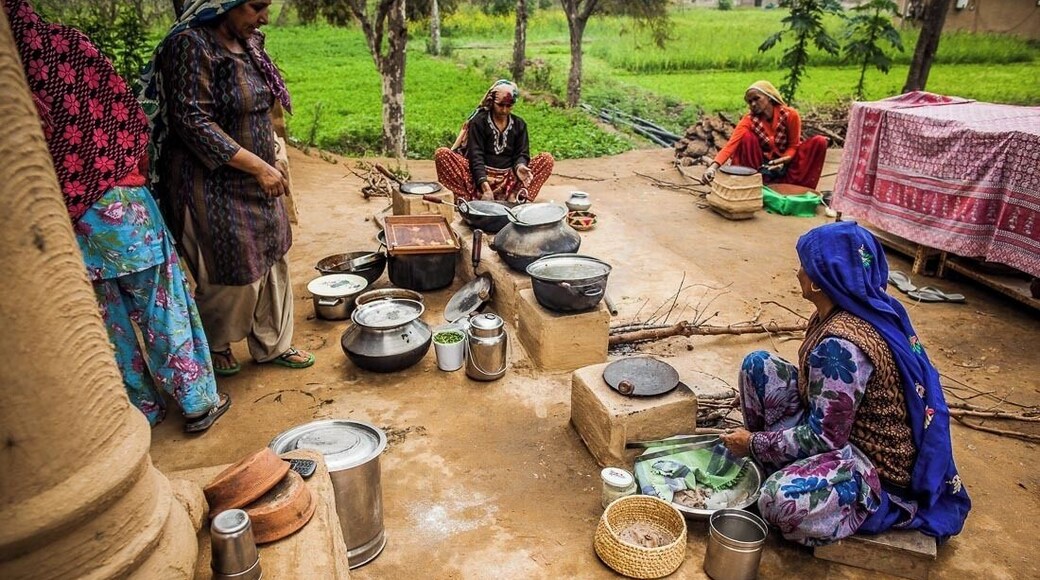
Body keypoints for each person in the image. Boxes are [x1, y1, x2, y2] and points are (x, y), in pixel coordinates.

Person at [6, 0, 229, 432]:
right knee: (160, 305)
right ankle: (197, 401)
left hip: (62, 219)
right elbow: (129, 115)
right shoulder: (66, 46)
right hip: (121, 207)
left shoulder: (11, 72)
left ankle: (141, 410)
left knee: (108, 322)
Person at [720, 221, 970, 546]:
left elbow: (825, 438)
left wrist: (753, 443)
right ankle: (784, 463)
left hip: (868, 465)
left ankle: (837, 501)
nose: (798, 272)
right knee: (759, 365)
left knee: (777, 501)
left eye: (804, 266)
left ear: (822, 283)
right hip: (840, 431)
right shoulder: (847, 309)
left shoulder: (841, 345)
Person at [142, 0, 314, 375]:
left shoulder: (251, 42)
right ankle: (217, 343)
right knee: (233, 266)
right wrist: (258, 167)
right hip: (211, 182)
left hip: (261, 173)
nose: (263, 18)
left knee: (274, 254)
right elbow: (192, 121)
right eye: (255, 7)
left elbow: (260, 108)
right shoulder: (190, 45)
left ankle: (273, 344)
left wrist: (273, 157)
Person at [435, 80, 554, 202]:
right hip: (479, 176)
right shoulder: (479, 122)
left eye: (509, 106)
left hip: (510, 177)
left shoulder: (519, 124)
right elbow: (476, 156)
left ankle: (515, 196)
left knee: (546, 159)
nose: (504, 110)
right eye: (500, 105)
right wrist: (485, 186)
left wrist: (520, 167)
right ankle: (468, 199)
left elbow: (522, 154)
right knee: (442, 154)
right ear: (492, 102)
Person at [704, 80, 828, 190]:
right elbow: (731, 145)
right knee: (747, 137)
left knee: (819, 141)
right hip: (762, 168)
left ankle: (796, 189)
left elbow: (793, 146)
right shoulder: (749, 120)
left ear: (769, 97)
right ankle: (755, 185)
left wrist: (783, 160)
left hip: (787, 163)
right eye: (750, 101)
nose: (753, 104)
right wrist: (713, 168)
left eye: (756, 99)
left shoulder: (790, 115)